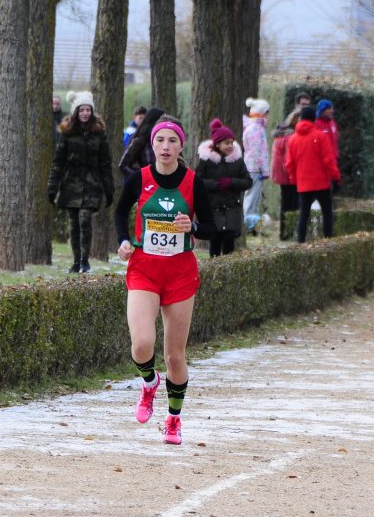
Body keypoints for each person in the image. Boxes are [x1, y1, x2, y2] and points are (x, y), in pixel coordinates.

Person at [115, 117, 216, 445]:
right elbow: (119, 212)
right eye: (161, 141)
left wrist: (194, 228)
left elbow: (213, 227)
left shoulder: (192, 181)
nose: (166, 147)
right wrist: (124, 240)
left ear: (180, 146)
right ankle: (148, 384)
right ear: (153, 145)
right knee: (142, 344)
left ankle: (173, 419)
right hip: (144, 268)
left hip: (180, 274)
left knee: (175, 354)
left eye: (173, 141)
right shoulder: (139, 178)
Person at [47, 91, 115, 273]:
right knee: (73, 224)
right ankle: (76, 261)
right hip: (70, 184)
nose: (85, 113)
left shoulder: (99, 134)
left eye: (88, 109)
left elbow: (105, 163)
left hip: (92, 185)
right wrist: (52, 187)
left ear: (92, 112)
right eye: (82, 109)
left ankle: (85, 260)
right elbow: (58, 162)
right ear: (76, 112)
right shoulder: (67, 133)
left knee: (85, 219)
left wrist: (109, 189)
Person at [196, 119, 252, 257]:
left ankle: (228, 273)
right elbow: (197, 181)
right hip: (213, 208)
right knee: (214, 242)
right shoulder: (205, 161)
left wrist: (231, 182)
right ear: (217, 144)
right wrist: (215, 185)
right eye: (227, 143)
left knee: (229, 243)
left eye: (232, 143)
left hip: (232, 208)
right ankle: (214, 270)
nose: (230, 146)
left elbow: (248, 181)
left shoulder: (237, 160)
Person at [284, 106, 340, 243]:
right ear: (314, 118)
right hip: (321, 182)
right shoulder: (320, 136)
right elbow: (328, 160)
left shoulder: (292, 139)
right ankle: (327, 241)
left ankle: (301, 243)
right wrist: (336, 177)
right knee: (327, 213)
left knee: (304, 214)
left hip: (303, 183)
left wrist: (293, 180)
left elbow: (289, 163)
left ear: (301, 119)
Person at [242, 98, 271, 234]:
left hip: (254, 168)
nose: (269, 116)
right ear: (262, 114)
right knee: (251, 198)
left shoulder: (254, 127)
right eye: (267, 113)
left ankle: (251, 225)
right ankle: (249, 226)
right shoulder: (255, 129)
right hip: (254, 168)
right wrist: (264, 170)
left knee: (254, 198)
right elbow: (257, 152)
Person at [270, 109, 301, 224]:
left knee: (285, 201)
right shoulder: (291, 136)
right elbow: (289, 159)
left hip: (281, 174)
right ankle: (288, 229)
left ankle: (284, 229)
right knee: (292, 203)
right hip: (288, 175)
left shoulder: (281, 133)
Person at [118, 107, 165, 179]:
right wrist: (140, 177)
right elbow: (123, 165)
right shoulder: (140, 141)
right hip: (147, 186)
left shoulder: (168, 142)